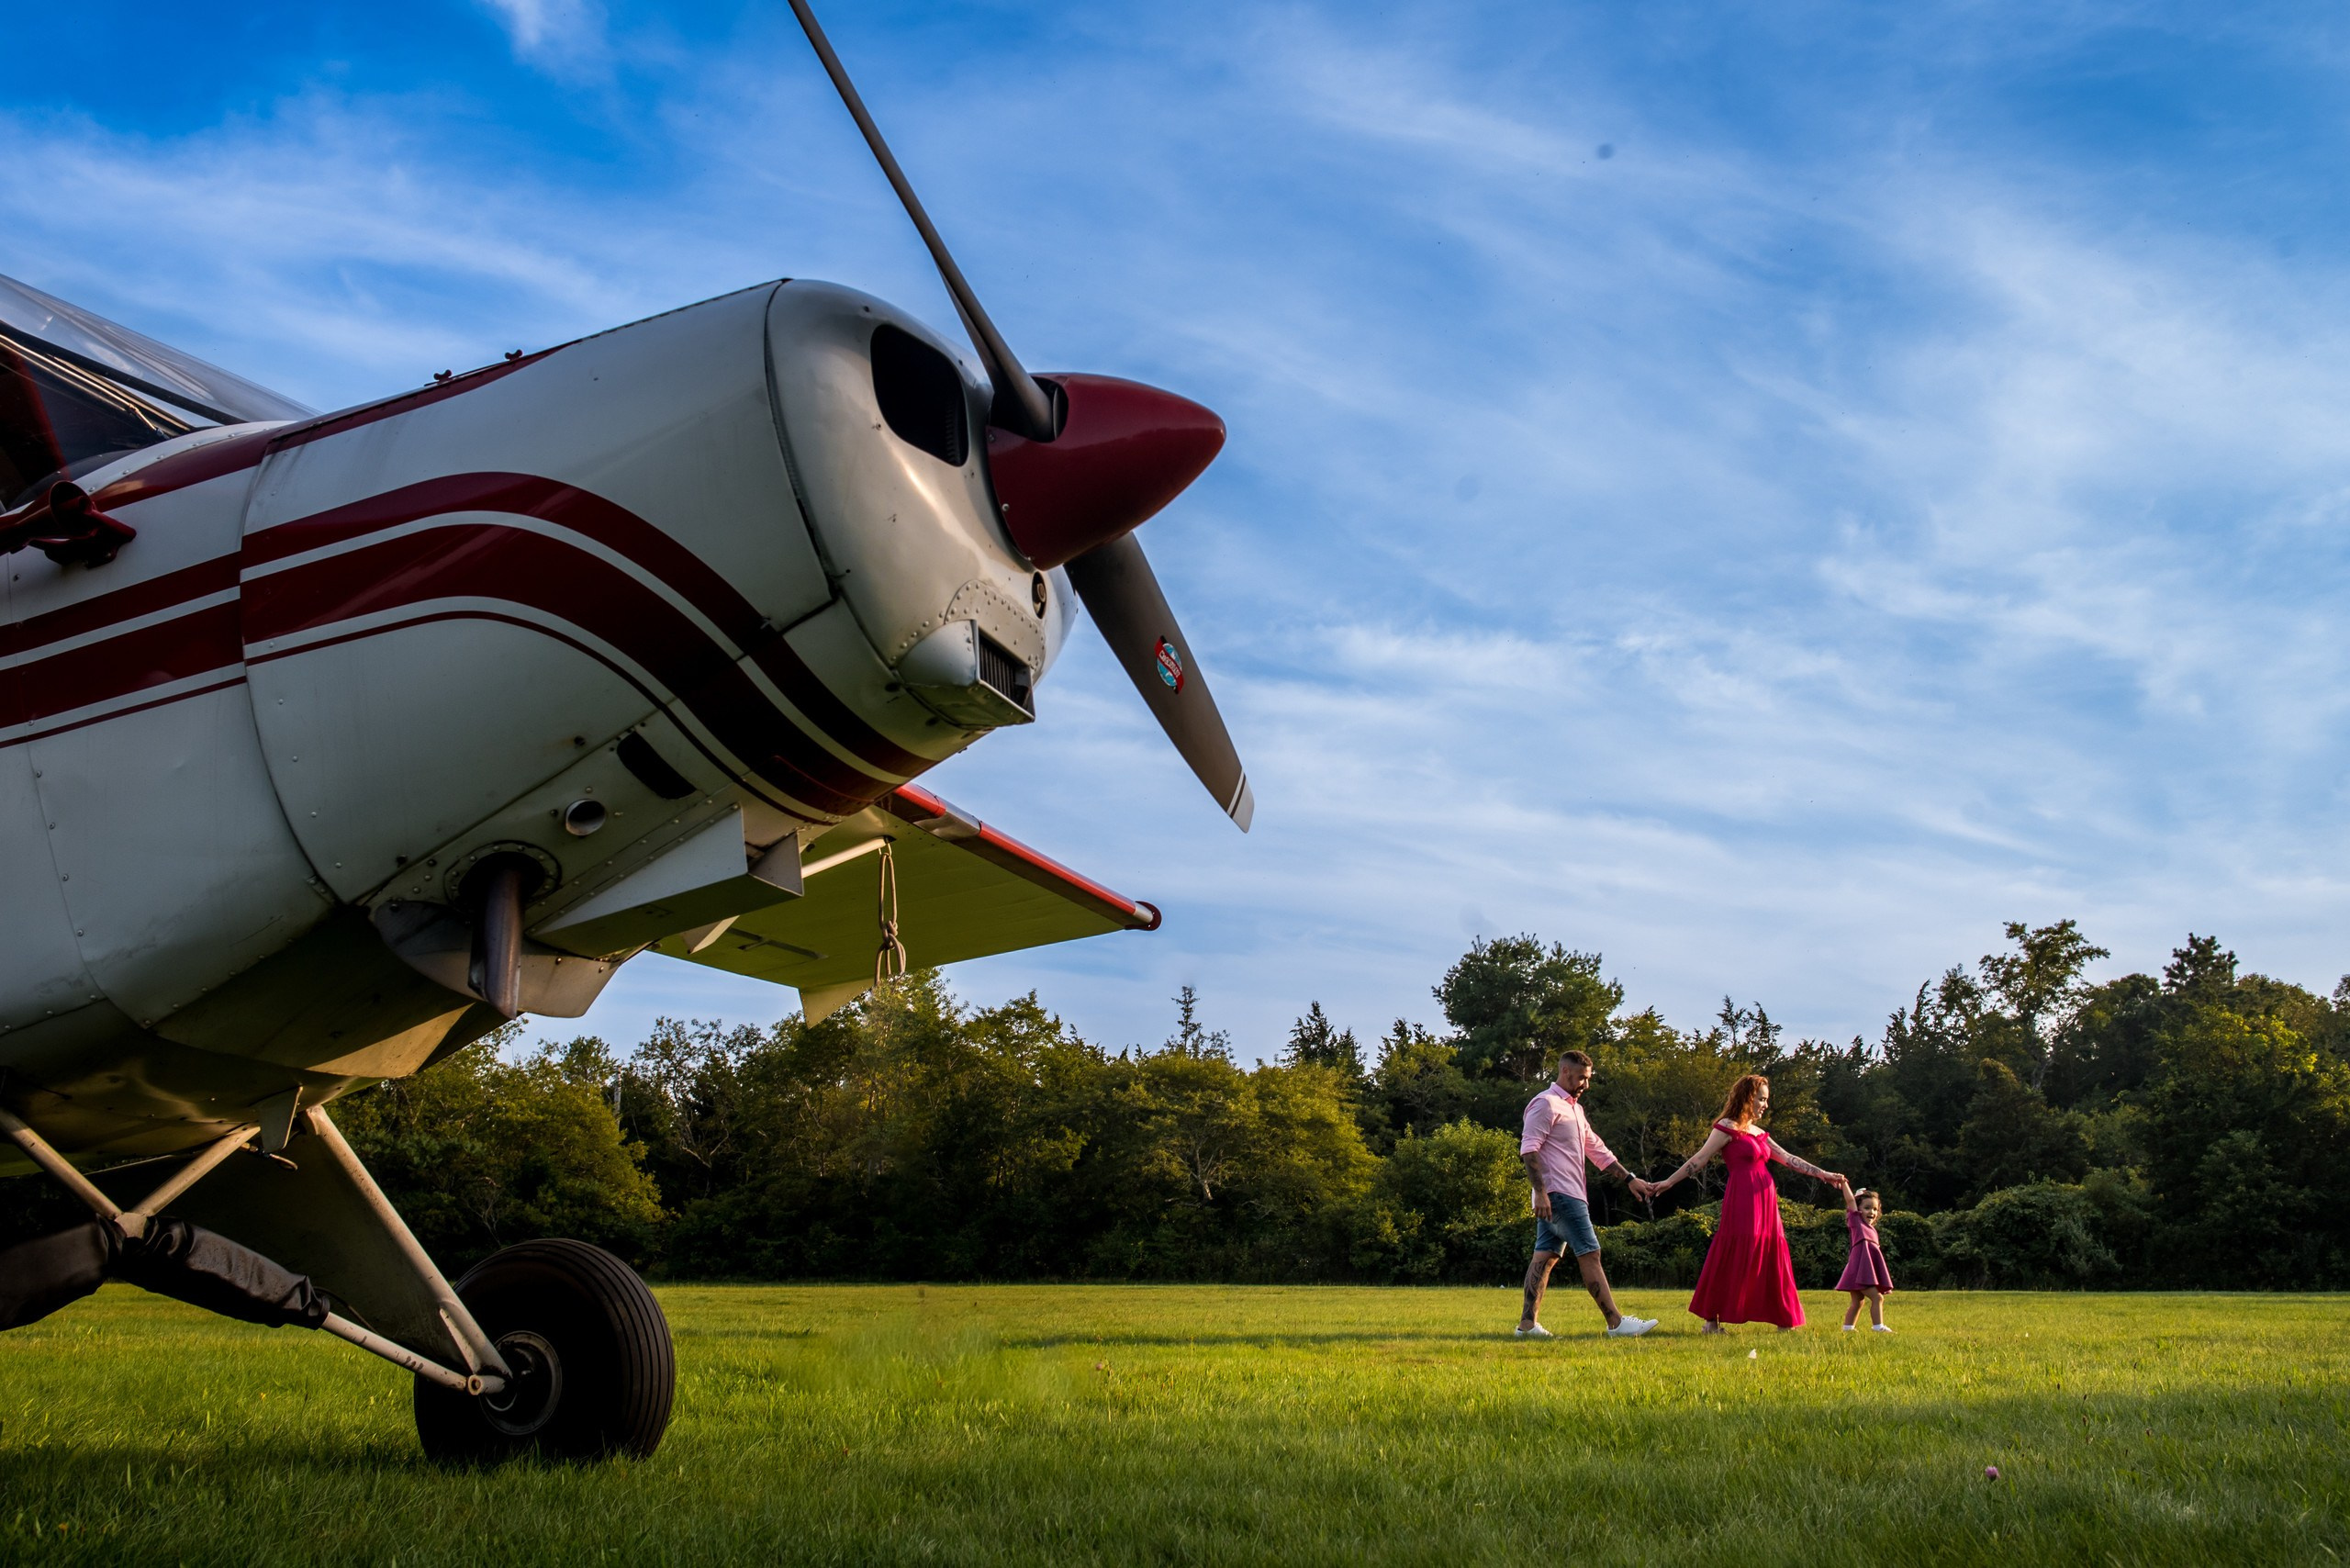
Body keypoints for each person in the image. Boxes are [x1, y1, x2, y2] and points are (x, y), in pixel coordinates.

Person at [1648, 1073, 1844, 1332]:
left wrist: (1824, 1174)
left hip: (1766, 1203)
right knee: (1736, 1251)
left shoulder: (1759, 1133)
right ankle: (1711, 1322)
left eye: (1766, 1100)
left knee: (1771, 1253)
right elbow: (1699, 1159)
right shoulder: (1726, 1127)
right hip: (1743, 1200)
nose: (1765, 1105)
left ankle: (1784, 1321)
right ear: (1748, 1098)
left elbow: (1788, 1158)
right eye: (1761, 1099)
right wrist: (1668, 1182)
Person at [1515, 1049, 1659, 1339]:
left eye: (1588, 1079)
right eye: (1582, 1078)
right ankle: (1616, 1323)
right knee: (1590, 1253)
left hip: (1565, 1195)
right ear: (1565, 1072)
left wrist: (1630, 1178)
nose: (1586, 1085)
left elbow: (1598, 1150)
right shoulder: (1546, 1104)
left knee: (1545, 1257)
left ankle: (1527, 1326)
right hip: (1560, 1194)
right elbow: (1529, 1150)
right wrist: (1540, 1193)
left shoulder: (1574, 1110)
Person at [1837, 1184, 1894, 1332]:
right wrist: (1844, 1184)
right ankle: (1878, 1327)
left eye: (1875, 1209)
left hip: (1863, 1271)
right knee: (1877, 1298)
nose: (1872, 1212)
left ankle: (1848, 1329)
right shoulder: (1856, 1223)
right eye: (1867, 1208)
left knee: (1858, 1302)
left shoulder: (1872, 1230)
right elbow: (1850, 1201)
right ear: (1858, 1209)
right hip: (1859, 1272)